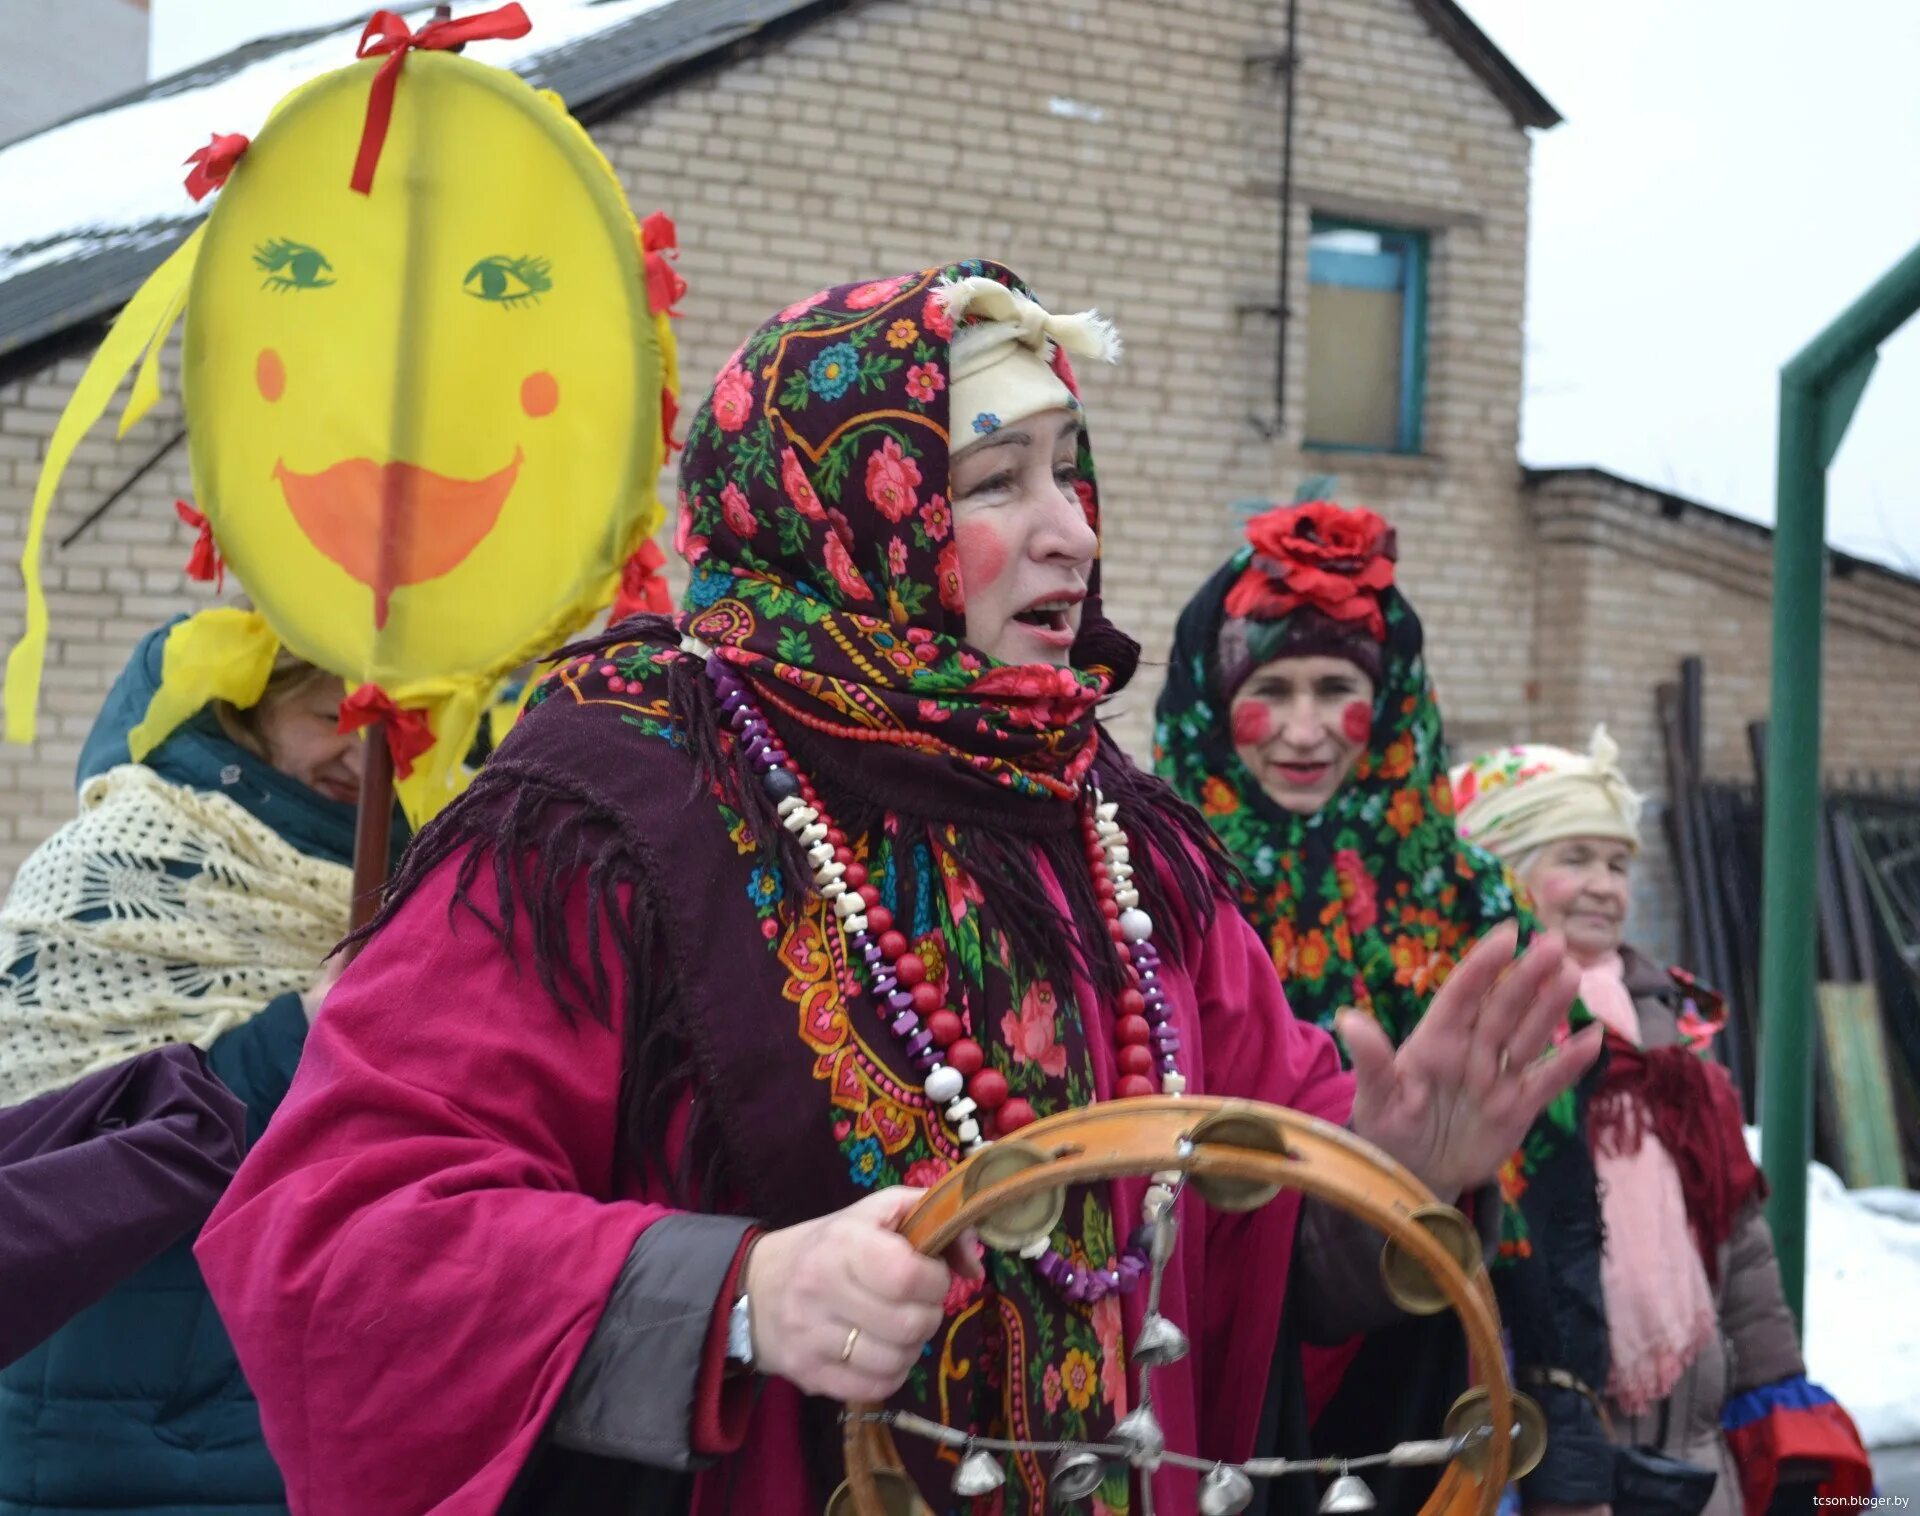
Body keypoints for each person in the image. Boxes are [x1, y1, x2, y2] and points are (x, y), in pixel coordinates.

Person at [195, 262, 1598, 1515]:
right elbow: (333, 1236)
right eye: (997, 483)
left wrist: (1389, 1181)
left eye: (1070, 469)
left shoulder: (1118, 835)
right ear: (842, 508)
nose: (1072, 536)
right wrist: (737, 1296)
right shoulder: (605, 816)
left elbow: (1244, 1233)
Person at [1152, 501, 1615, 1513]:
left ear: (1393, 700)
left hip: (1435, 1396)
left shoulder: (1475, 908)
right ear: (1208, 700)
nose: (1309, 729)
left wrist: (1563, 1423)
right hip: (1195, 1372)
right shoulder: (1151, 894)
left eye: (1338, 688)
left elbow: (1554, 1202)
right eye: (1271, 689)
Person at [1454, 730, 1875, 1516]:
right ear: (1499, 864)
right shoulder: (1473, 1028)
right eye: (1573, 857)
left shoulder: (1670, 1031)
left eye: (1617, 863)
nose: (1603, 885)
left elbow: (1733, 1229)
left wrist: (1775, 1388)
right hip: (1542, 1422)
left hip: (1695, 1426)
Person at [0, 614, 362, 1516]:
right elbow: (63, 1134)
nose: (359, 753)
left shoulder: (398, 886)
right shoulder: (117, 854)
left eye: (390, 730)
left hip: (267, 1421)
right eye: (330, 715)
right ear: (252, 713)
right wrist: (306, 1028)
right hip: (82, 1411)